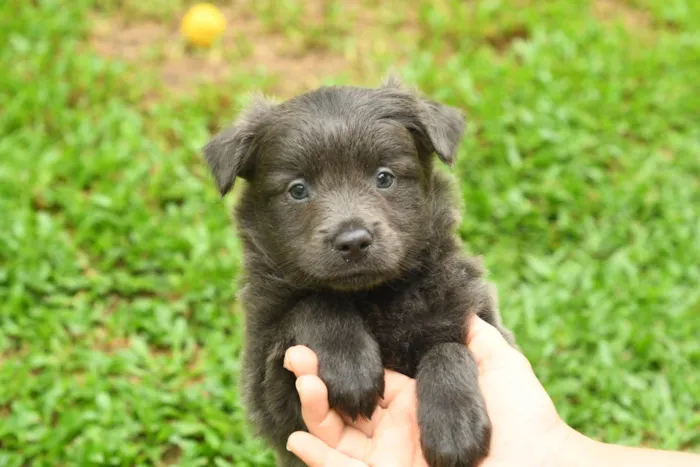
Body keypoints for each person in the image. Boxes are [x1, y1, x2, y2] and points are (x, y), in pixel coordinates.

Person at [281, 315, 700, 467]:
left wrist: (450, 358)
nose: (348, 226)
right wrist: (315, 317)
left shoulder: (444, 280)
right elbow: (280, 417)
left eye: (385, 177)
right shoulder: (278, 305)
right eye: (299, 189)